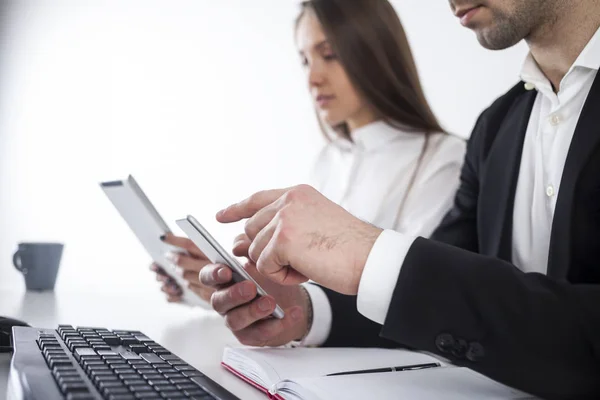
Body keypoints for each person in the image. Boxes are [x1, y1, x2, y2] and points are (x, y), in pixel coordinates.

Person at [200, 0, 600, 398]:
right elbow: (436, 296)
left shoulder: (445, 153)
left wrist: (364, 252)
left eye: (331, 54)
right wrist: (305, 310)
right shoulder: (496, 129)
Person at [152, 0, 466, 307]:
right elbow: (305, 296)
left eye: (329, 55)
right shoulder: (330, 160)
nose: (313, 78)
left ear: (377, 54)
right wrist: (217, 287)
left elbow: (413, 291)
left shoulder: (444, 159)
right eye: (305, 60)